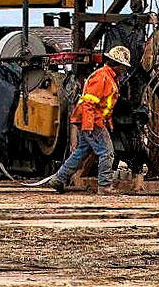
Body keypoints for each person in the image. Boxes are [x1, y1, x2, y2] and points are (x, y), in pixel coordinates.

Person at [51, 45, 132, 195]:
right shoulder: (102, 77)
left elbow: (104, 104)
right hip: (92, 121)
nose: (125, 70)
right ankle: (105, 186)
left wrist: (108, 122)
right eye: (124, 66)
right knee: (107, 152)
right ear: (117, 64)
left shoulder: (109, 77)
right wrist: (89, 126)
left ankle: (59, 179)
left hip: (91, 120)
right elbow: (89, 102)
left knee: (81, 152)